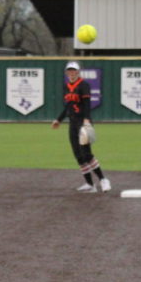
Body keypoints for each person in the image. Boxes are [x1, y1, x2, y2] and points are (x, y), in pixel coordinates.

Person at [51, 60, 111, 193]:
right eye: (69, 71)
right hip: (72, 123)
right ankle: (90, 184)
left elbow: (87, 105)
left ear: (78, 72)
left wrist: (86, 120)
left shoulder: (84, 85)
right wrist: (59, 120)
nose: (72, 73)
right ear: (67, 73)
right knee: (78, 155)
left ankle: (103, 180)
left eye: (74, 71)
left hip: (83, 123)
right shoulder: (66, 86)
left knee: (87, 154)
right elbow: (68, 106)